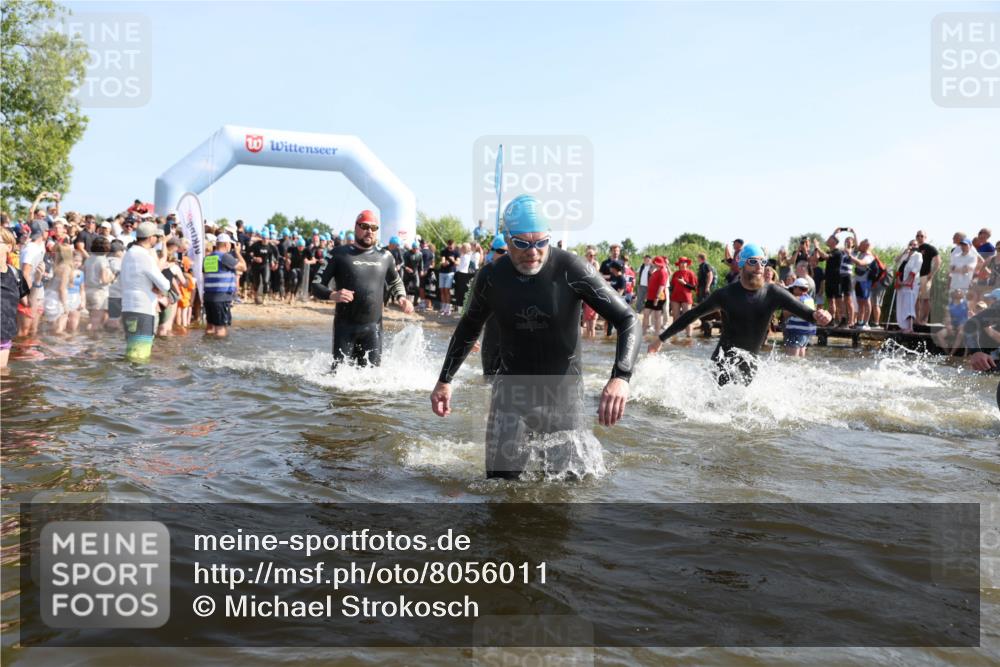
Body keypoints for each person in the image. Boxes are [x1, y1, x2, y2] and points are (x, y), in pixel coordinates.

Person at [430, 195, 638, 479]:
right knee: (500, 490)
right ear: (506, 238)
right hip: (511, 396)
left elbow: (627, 319)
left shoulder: (571, 269)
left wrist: (621, 377)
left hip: (563, 395)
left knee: (565, 497)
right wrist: (445, 380)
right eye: (523, 243)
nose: (533, 251)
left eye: (541, 242)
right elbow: (468, 327)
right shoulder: (491, 276)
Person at [648, 243, 832, 386]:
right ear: (742, 264)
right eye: (753, 261)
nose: (759, 266)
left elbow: (807, 313)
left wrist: (820, 315)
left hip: (749, 365)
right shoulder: (725, 295)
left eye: (762, 262)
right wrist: (661, 339)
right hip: (722, 363)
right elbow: (692, 315)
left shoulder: (773, 293)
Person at [312, 210, 414, 368]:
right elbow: (316, 285)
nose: (369, 231)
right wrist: (333, 294)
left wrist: (401, 297)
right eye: (365, 226)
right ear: (356, 227)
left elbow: (395, 282)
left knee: (372, 379)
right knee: (338, 379)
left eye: (374, 228)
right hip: (345, 328)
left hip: (373, 329)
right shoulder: (338, 254)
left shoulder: (385, 257)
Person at [119, 222, 170, 362]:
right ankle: (139, 383)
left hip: (128, 307)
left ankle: (127, 381)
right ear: (150, 237)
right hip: (143, 309)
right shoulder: (143, 256)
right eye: (156, 236)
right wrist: (159, 286)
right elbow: (165, 285)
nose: (157, 240)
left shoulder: (128, 254)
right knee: (140, 355)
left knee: (132, 350)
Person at [203, 233, 244, 337]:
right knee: (221, 329)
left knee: (210, 327)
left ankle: (208, 348)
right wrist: (238, 253)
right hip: (221, 298)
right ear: (226, 245)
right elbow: (243, 267)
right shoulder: (225, 257)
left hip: (208, 297)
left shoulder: (207, 258)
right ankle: (220, 351)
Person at [0, 227, 29, 369]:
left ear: (8, 247)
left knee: (2, 375)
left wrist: (37, 282)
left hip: (4, 334)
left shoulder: (15, 274)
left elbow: (25, 302)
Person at [782, 278, 817, 357]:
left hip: (796, 331)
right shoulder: (810, 299)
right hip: (806, 333)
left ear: (797, 288)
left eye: (793, 287)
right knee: (801, 354)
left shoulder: (797, 300)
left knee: (791, 358)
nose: (792, 289)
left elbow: (786, 314)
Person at [894, 241, 923, 333]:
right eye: (911, 244)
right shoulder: (905, 255)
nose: (913, 246)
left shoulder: (918, 255)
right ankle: (903, 326)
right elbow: (896, 262)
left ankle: (910, 327)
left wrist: (907, 281)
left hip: (911, 284)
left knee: (909, 304)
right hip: (901, 282)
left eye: (915, 244)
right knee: (901, 304)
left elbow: (916, 268)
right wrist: (904, 252)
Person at [915, 230, 940, 325]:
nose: (919, 237)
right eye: (918, 236)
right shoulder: (915, 248)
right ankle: (916, 319)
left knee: (925, 299)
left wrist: (932, 274)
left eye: (922, 236)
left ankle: (924, 320)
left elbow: (938, 261)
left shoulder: (929, 248)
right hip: (915, 277)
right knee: (916, 299)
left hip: (925, 276)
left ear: (925, 237)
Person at [668, 257, 697, 337]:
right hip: (675, 297)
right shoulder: (676, 273)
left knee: (687, 317)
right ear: (679, 264)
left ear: (687, 264)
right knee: (675, 317)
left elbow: (694, 287)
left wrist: (684, 283)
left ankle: (689, 336)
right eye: (681, 262)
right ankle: (674, 336)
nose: (683, 264)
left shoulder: (690, 273)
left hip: (686, 297)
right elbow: (672, 286)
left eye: (684, 262)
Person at [643, 256, 668, 334]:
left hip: (659, 297)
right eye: (654, 263)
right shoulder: (655, 272)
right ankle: (644, 332)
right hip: (650, 297)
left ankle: (657, 333)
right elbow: (651, 284)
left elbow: (662, 285)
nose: (655, 264)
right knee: (646, 313)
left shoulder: (663, 272)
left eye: (656, 263)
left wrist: (657, 297)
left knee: (657, 316)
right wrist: (647, 294)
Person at [438, 239, 460, 316]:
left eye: (451, 244)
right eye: (449, 244)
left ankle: (448, 308)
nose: (450, 246)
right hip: (442, 272)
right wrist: (444, 263)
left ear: (454, 244)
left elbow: (458, 263)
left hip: (450, 273)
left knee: (447, 290)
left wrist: (453, 260)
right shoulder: (444, 251)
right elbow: (442, 261)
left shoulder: (457, 252)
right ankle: (443, 307)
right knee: (442, 290)